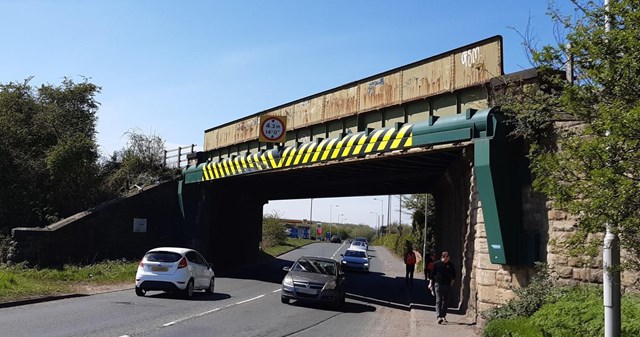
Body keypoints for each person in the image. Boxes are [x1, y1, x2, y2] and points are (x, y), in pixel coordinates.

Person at [428, 251, 456, 324]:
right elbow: (432, 275)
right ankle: (438, 316)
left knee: (446, 301)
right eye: (447, 257)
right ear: (443, 257)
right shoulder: (437, 264)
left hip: (447, 285)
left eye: (448, 257)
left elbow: (454, 276)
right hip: (438, 284)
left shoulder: (450, 265)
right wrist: (430, 284)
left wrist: (451, 284)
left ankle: (443, 316)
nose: (448, 259)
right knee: (439, 300)